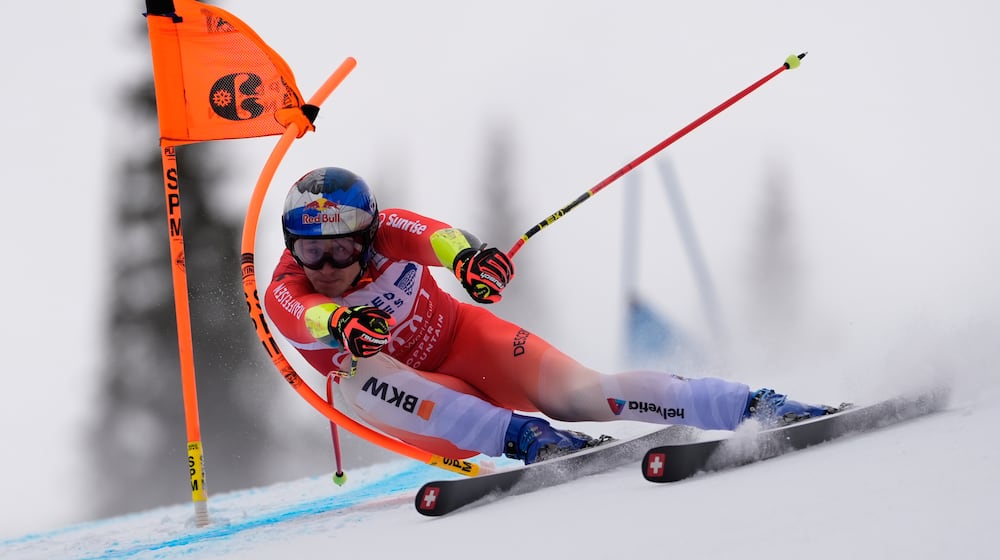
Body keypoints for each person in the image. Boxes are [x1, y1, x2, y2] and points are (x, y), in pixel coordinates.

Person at [264, 167, 836, 464]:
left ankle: (750, 404)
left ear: (366, 237)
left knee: (583, 392)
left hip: (466, 342)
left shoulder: (388, 230)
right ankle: (525, 437)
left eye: (340, 247)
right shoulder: (287, 288)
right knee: (354, 378)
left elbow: (438, 238)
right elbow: (305, 314)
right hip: (421, 408)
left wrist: (469, 259)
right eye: (309, 248)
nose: (325, 264)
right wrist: (341, 323)